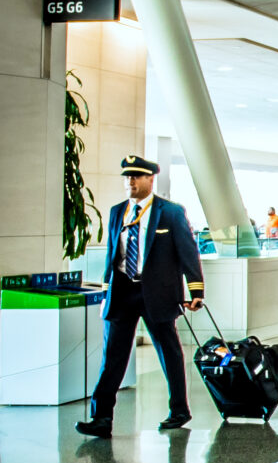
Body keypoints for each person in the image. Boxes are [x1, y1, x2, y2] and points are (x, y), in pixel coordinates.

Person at [77, 156, 204, 437]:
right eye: (127, 177)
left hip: (157, 293)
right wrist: (107, 288)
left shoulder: (169, 212)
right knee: (113, 357)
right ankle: (101, 418)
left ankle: (179, 410)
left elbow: (187, 252)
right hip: (123, 291)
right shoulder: (117, 211)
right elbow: (114, 254)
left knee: (168, 351)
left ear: (150, 179)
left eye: (136, 176)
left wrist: (195, 289)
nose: (130, 181)